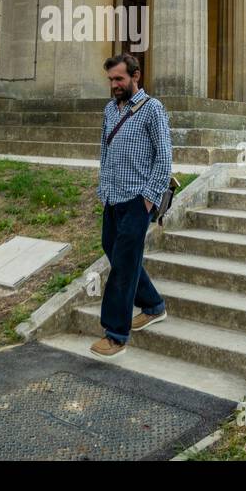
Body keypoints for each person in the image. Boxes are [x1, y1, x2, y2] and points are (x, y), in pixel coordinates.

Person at [90, 52, 172, 357]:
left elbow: (164, 158)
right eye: (111, 79)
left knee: (123, 264)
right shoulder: (110, 110)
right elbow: (105, 151)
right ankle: (153, 305)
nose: (114, 85)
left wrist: (149, 199)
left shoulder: (153, 110)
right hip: (113, 196)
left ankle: (115, 334)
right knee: (112, 248)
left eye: (119, 79)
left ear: (135, 76)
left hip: (139, 199)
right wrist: (103, 188)